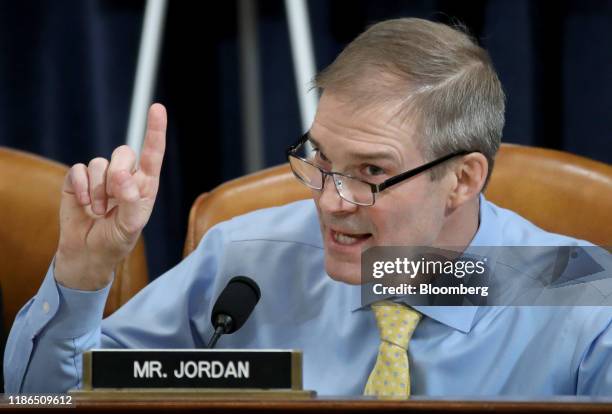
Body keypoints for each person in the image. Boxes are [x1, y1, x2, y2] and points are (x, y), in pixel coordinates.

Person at [4, 18, 612, 396]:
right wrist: (82, 274)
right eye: (318, 159)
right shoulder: (244, 266)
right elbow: (49, 401)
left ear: (462, 179)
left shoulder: (577, 294)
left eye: (371, 172)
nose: (327, 200)